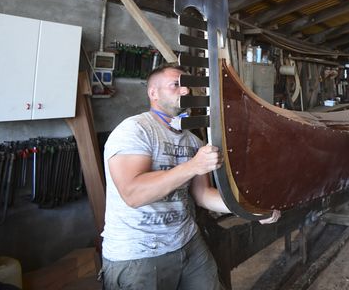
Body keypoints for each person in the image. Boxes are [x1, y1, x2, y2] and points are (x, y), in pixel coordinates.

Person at [100, 64, 277, 290]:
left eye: (187, 87)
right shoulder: (135, 130)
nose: (185, 91)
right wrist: (193, 165)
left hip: (187, 242)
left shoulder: (193, 141)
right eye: (176, 85)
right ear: (153, 93)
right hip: (138, 253)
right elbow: (133, 194)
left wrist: (249, 210)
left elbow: (202, 195)